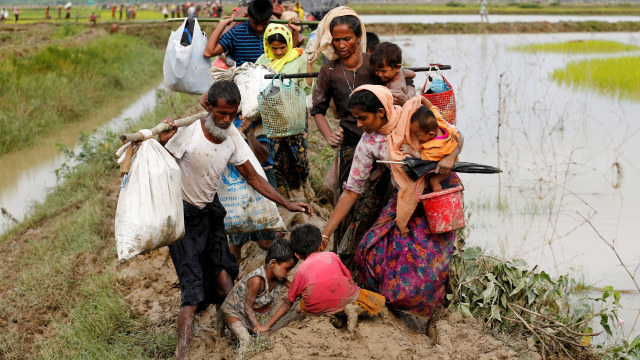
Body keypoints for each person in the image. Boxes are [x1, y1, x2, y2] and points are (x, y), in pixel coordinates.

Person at [158, 80, 313, 360]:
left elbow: (252, 176)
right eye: (221, 114)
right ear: (208, 107)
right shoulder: (187, 133)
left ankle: (240, 335)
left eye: (233, 114)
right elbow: (161, 167)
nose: (227, 120)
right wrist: (162, 139)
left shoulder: (231, 137)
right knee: (191, 290)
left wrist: (287, 203)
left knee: (224, 273)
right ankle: (182, 353)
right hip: (185, 218)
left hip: (211, 213)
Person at [322, 85, 462, 317]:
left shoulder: (412, 117)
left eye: (362, 118)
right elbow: (351, 190)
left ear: (380, 112)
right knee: (369, 248)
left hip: (437, 195)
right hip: (406, 198)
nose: (358, 125)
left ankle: (434, 312)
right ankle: (391, 306)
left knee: (429, 260)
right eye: (355, 119)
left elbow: (454, 136)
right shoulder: (368, 143)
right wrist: (326, 233)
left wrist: (450, 156)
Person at [311, 11, 411, 267]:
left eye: (347, 39)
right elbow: (318, 110)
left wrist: (401, 93)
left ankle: (378, 252)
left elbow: (400, 75)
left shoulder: (373, 64)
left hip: (385, 139)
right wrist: (328, 134)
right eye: (336, 40)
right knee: (346, 192)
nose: (341, 45)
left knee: (381, 196)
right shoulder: (329, 71)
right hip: (353, 143)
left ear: (358, 38)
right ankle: (345, 256)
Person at [260, 224, 387, 333]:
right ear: (321, 245)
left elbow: (288, 302)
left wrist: (268, 325)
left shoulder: (300, 271)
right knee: (362, 295)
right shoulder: (332, 256)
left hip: (319, 309)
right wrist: (355, 292)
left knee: (301, 306)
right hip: (345, 297)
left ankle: (332, 316)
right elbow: (349, 280)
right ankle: (351, 306)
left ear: (298, 255)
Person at [256, 21, 314, 199]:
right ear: (267, 45)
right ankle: (284, 194)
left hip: (294, 116)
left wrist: (310, 64)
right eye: (275, 48)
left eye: (282, 47)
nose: (279, 52)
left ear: (288, 43)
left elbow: (306, 89)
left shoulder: (298, 58)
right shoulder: (262, 62)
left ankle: (304, 183)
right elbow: (258, 88)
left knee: (300, 157)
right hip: (273, 118)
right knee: (276, 158)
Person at [221, 238, 296, 346]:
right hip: (233, 311)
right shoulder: (257, 280)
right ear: (273, 263)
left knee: (263, 339)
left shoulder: (280, 277)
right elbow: (247, 307)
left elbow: (295, 288)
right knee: (246, 341)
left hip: (251, 314)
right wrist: (258, 326)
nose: (289, 273)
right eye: (287, 269)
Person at [204, 0, 284, 66]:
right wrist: (221, 25)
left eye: (264, 24)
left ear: (269, 18)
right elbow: (208, 53)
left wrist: (295, 31)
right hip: (245, 80)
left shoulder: (276, 30)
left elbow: (290, 51)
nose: (259, 28)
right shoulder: (237, 32)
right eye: (255, 23)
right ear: (249, 16)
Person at [401, 106, 460, 192]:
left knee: (433, 181)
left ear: (431, 134)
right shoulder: (439, 121)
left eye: (418, 135)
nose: (417, 137)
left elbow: (421, 156)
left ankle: (438, 198)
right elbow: (434, 109)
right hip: (451, 148)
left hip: (447, 167)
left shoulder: (435, 148)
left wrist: (410, 150)